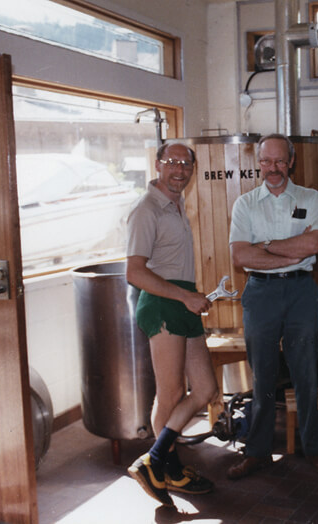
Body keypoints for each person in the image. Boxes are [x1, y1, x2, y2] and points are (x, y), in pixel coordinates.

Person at [227, 133, 318, 480]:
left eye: (279, 161)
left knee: (306, 374)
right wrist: (291, 251)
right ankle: (257, 452)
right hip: (260, 295)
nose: (272, 168)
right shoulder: (245, 204)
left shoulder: (310, 197)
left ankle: (313, 448)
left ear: (291, 162)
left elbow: (313, 244)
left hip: (302, 292)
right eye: (266, 161)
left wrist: (267, 247)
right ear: (258, 163)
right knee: (263, 378)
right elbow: (241, 255)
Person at [126, 142, 219, 506]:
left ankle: (157, 460)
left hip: (183, 302)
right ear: (157, 164)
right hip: (164, 304)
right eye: (172, 163)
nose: (180, 170)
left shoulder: (175, 204)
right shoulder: (146, 209)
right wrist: (184, 297)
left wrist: (191, 297)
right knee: (170, 394)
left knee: (206, 389)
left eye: (186, 164)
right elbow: (134, 271)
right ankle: (164, 468)